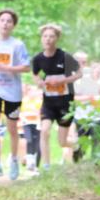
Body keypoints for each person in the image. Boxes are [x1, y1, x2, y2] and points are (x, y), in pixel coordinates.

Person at [0, 9, 30, 180]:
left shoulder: (17, 45)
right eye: (2, 20)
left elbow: (26, 67)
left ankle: (14, 160)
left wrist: (9, 68)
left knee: (12, 128)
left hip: (13, 92)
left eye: (9, 21)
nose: (5, 23)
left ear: (13, 26)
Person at [31, 24, 82, 168]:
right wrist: (40, 82)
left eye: (51, 36)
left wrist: (64, 80)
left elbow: (79, 73)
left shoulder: (64, 56)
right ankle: (46, 166)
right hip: (49, 103)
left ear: (57, 38)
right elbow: (35, 75)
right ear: (42, 38)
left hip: (65, 103)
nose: (48, 39)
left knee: (62, 142)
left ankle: (76, 147)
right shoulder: (38, 59)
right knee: (45, 131)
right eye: (45, 36)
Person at [20, 84, 42, 171]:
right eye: (32, 91)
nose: (34, 93)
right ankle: (29, 160)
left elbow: (39, 113)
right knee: (29, 140)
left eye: (35, 91)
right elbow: (21, 113)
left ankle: (35, 164)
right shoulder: (24, 101)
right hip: (26, 124)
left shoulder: (38, 102)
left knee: (37, 144)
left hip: (36, 124)